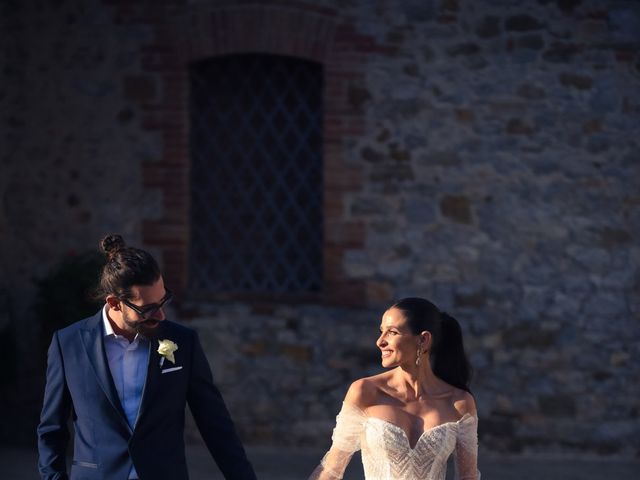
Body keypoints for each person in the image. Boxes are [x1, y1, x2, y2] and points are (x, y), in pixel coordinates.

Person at [37, 234, 257, 480]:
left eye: (163, 300)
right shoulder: (68, 343)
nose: (161, 315)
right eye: (149, 308)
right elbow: (51, 429)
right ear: (115, 303)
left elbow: (216, 425)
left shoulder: (183, 343)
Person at [309, 297, 480, 480]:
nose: (380, 341)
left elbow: (467, 477)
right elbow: (331, 471)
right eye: (381, 332)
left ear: (423, 339)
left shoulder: (459, 402)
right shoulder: (365, 392)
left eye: (392, 332)